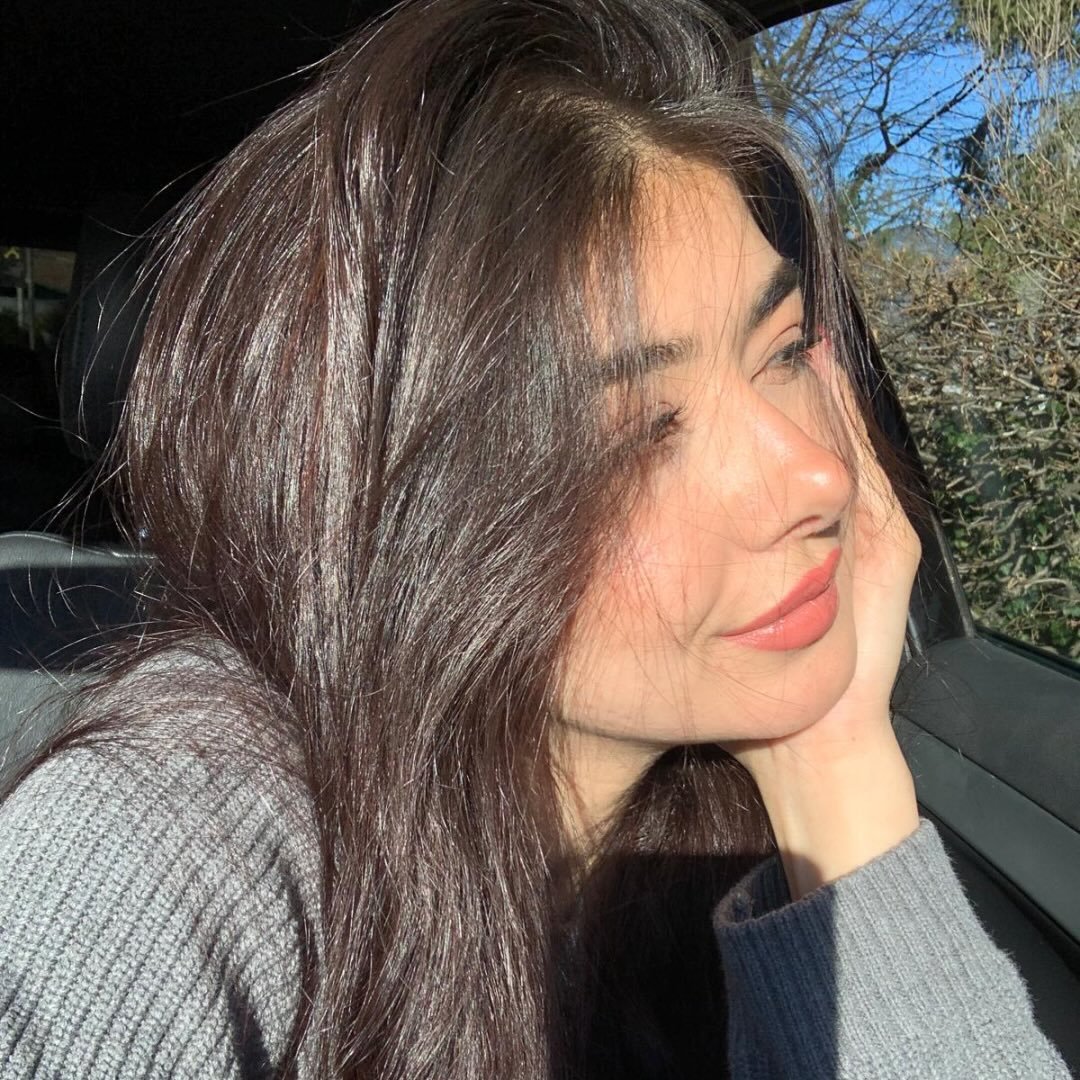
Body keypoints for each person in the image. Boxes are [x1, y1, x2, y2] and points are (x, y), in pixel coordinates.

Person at [0, 0, 1070, 1076]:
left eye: (783, 351)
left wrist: (833, 757)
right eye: (643, 432)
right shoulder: (173, 838)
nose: (819, 476)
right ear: (404, 525)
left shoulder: (705, 815)